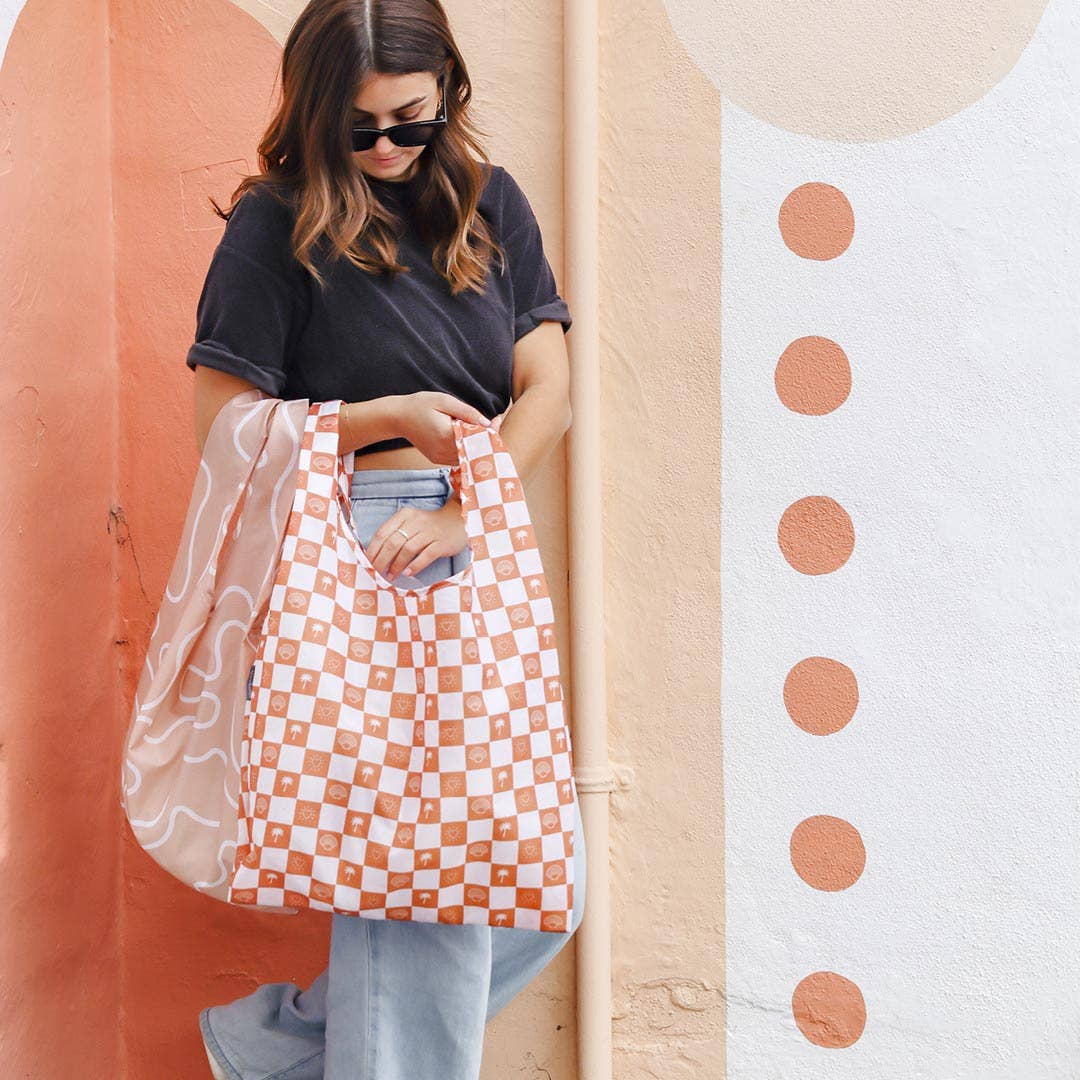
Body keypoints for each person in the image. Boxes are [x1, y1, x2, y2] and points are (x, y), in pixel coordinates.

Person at [188, 1, 586, 1077]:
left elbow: (546, 382)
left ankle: (268, 1049)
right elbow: (222, 424)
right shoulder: (277, 221)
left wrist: (473, 504)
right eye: (356, 129)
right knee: (422, 887)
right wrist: (389, 418)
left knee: (537, 884)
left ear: (447, 89)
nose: (384, 151)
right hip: (364, 548)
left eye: (407, 123)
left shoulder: (489, 204)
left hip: (477, 530)